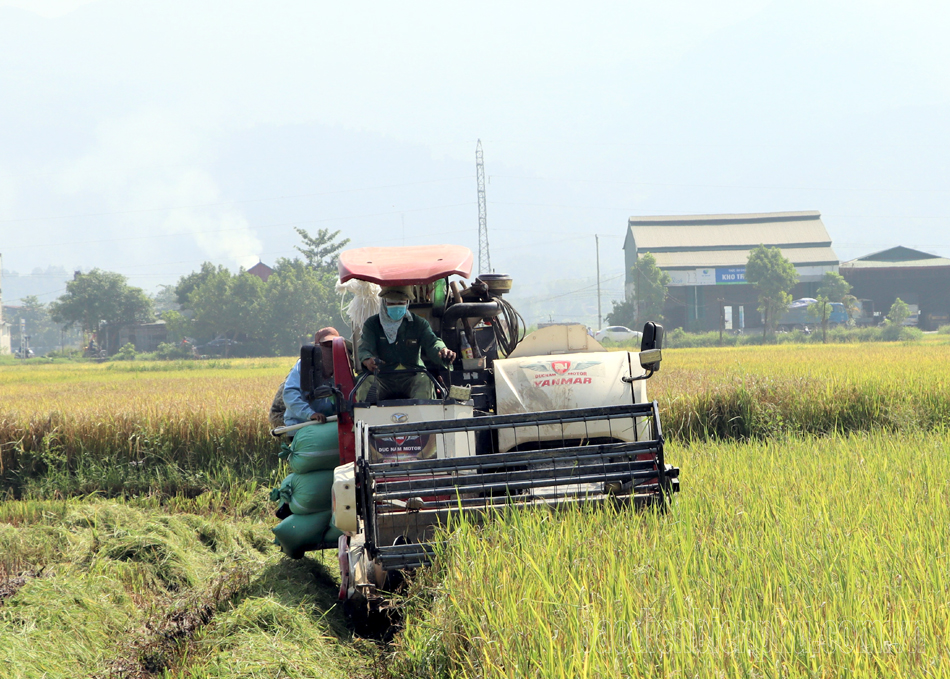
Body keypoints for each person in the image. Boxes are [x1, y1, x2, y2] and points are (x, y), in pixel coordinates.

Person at [357, 285, 456, 401]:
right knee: (364, 384)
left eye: (401, 303)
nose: (397, 308)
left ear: (407, 303)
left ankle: (423, 418)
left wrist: (442, 350)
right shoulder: (372, 324)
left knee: (425, 381)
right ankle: (368, 418)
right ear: (384, 303)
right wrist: (368, 359)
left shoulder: (418, 323)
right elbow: (364, 348)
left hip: (412, 375)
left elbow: (432, 342)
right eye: (392, 304)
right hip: (382, 377)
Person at [279, 327, 342, 427]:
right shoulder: (303, 366)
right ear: (317, 346)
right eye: (326, 345)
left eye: (333, 345)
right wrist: (310, 414)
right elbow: (290, 394)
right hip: (301, 425)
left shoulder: (341, 369)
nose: (330, 349)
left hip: (327, 424)